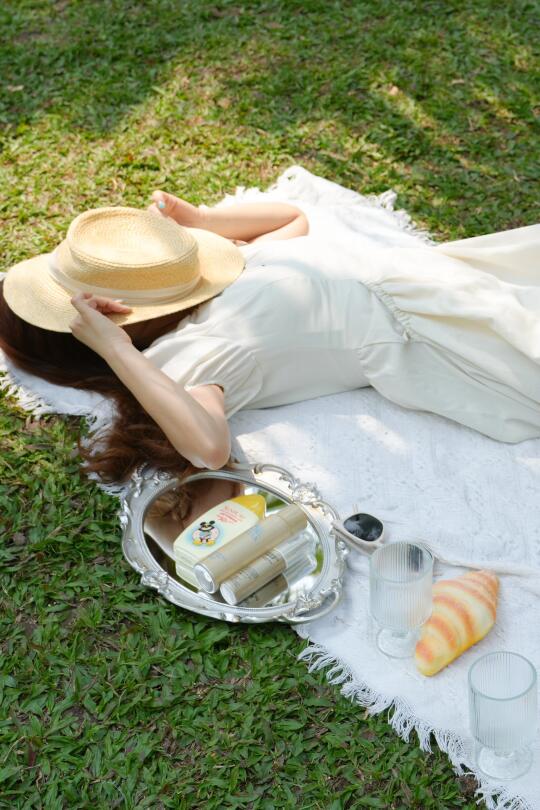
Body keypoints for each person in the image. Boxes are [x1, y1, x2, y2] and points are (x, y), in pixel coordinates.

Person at [1, 183, 539, 526]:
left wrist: (202, 222)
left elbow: (292, 220)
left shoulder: (226, 274)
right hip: (432, 332)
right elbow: (208, 447)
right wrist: (117, 350)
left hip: (430, 280)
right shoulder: (187, 354)